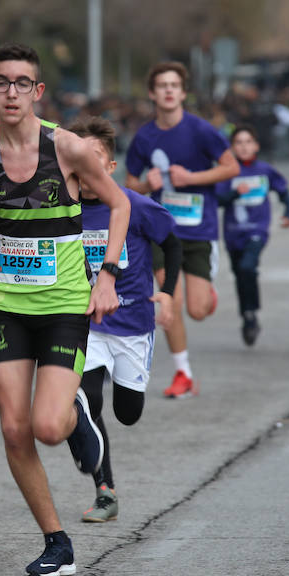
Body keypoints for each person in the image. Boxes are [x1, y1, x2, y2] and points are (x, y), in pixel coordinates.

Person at [0, 43, 129, 576]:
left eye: (22, 83)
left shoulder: (68, 149)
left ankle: (77, 419)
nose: (11, 92)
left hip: (65, 304)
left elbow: (119, 205)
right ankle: (57, 543)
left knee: (49, 426)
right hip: (5, 304)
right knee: (14, 429)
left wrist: (107, 275)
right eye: (2, 82)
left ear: (37, 92)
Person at [67, 116, 180, 523]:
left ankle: (86, 420)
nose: (86, 165)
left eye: (94, 157)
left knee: (127, 413)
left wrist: (166, 292)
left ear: (110, 167)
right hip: (87, 323)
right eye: (79, 157)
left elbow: (171, 241)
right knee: (88, 400)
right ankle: (105, 490)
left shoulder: (135, 205)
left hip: (133, 324)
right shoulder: (65, 210)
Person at [124, 62, 239, 398]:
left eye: (175, 85)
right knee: (168, 299)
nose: (169, 90)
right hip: (162, 231)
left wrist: (193, 178)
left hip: (200, 230)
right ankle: (183, 373)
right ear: (152, 93)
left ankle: (207, 294)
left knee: (197, 310)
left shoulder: (201, 130)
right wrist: (147, 184)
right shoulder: (144, 137)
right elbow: (130, 184)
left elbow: (230, 167)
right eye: (162, 85)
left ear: (183, 92)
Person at [215, 126, 289, 345]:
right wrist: (234, 193)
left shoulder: (265, 170)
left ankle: (251, 313)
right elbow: (217, 200)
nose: (244, 146)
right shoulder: (227, 172)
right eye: (239, 142)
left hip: (257, 230)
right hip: (233, 235)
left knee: (248, 267)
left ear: (256, 145)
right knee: (240, 275)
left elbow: (283, 191)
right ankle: (248, 316)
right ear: (232, 147)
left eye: (248, 141)